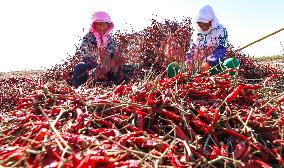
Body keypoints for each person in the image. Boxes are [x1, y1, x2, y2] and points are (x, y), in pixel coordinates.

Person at [71, 11, 132, 88]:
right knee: (80, 67)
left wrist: (112, 62)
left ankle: (123, 87)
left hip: (109, 67)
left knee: (129, 68)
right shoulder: (88, 37)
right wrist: (95, 64)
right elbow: (84, 51)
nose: (102, 27)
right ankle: (77, 89)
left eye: (105, 25)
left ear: (108, 26)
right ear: (94, 25)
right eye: (100, 24)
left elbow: (115, 52)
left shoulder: (110, 39)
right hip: (93, 66)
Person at [186, 5, 232, 74]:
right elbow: (192, 49)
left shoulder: (221, 30)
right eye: (200, 25)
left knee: (232, 63)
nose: (203, 27)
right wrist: (188, 60)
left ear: (211, 21)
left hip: (215, 65)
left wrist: (209, 61)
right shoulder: (197, 34)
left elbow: (221, 49)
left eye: (205, 24)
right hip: (197, 66)